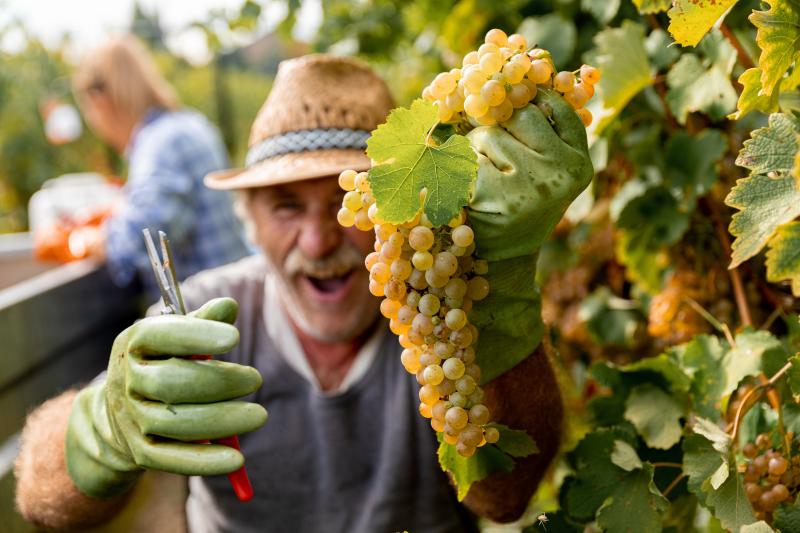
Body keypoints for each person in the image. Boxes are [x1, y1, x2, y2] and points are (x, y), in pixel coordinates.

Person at [14, 54, 593, 532]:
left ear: (403, 214)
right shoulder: (206, 312)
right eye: (286, 206)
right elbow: (41, 497)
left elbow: (504, 497)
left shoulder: (447, 315)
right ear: (250, 221)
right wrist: (105, 429)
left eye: (349, 208)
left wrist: (501, 290)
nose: (316, 242)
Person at [71, 35, 250, 296]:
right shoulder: (190, 124)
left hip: (209, 317)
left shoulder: (160, 143)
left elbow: (143, 236)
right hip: (236, 298)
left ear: (101, 100)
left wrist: (93, 240)